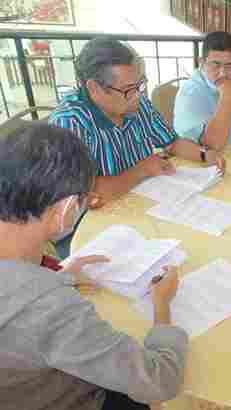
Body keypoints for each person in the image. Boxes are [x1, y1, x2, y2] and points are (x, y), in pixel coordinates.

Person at [0, 123, 188, 410]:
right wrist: (162, 306)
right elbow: (158, 381)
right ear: (65, 209)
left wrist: (60, 275)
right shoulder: (49, 307)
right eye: (83, 200)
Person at [49, 37, 225, 209]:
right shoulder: (69, 123)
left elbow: (172, 143)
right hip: (100, 218)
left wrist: (204, 154)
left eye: (139, 85)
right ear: (94, 88)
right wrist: (142, 170)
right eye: (128, 90)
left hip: (146, 202)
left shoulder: (136, 103)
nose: (137, 96)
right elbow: (83, 196)